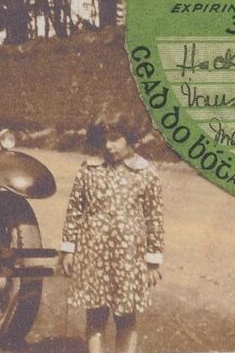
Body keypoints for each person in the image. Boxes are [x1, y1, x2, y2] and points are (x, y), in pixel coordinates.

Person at [60, 117, 165, 353]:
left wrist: (153, 261)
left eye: (115, 139)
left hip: (128, 257)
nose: (109, 146)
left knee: (126, 318)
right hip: (93, 253)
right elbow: (74, 210)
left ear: (131, 139)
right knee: (95, 316)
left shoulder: (146, 172)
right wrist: (68, 249)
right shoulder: (90, 169)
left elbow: (154, 218)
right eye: (105, 139)